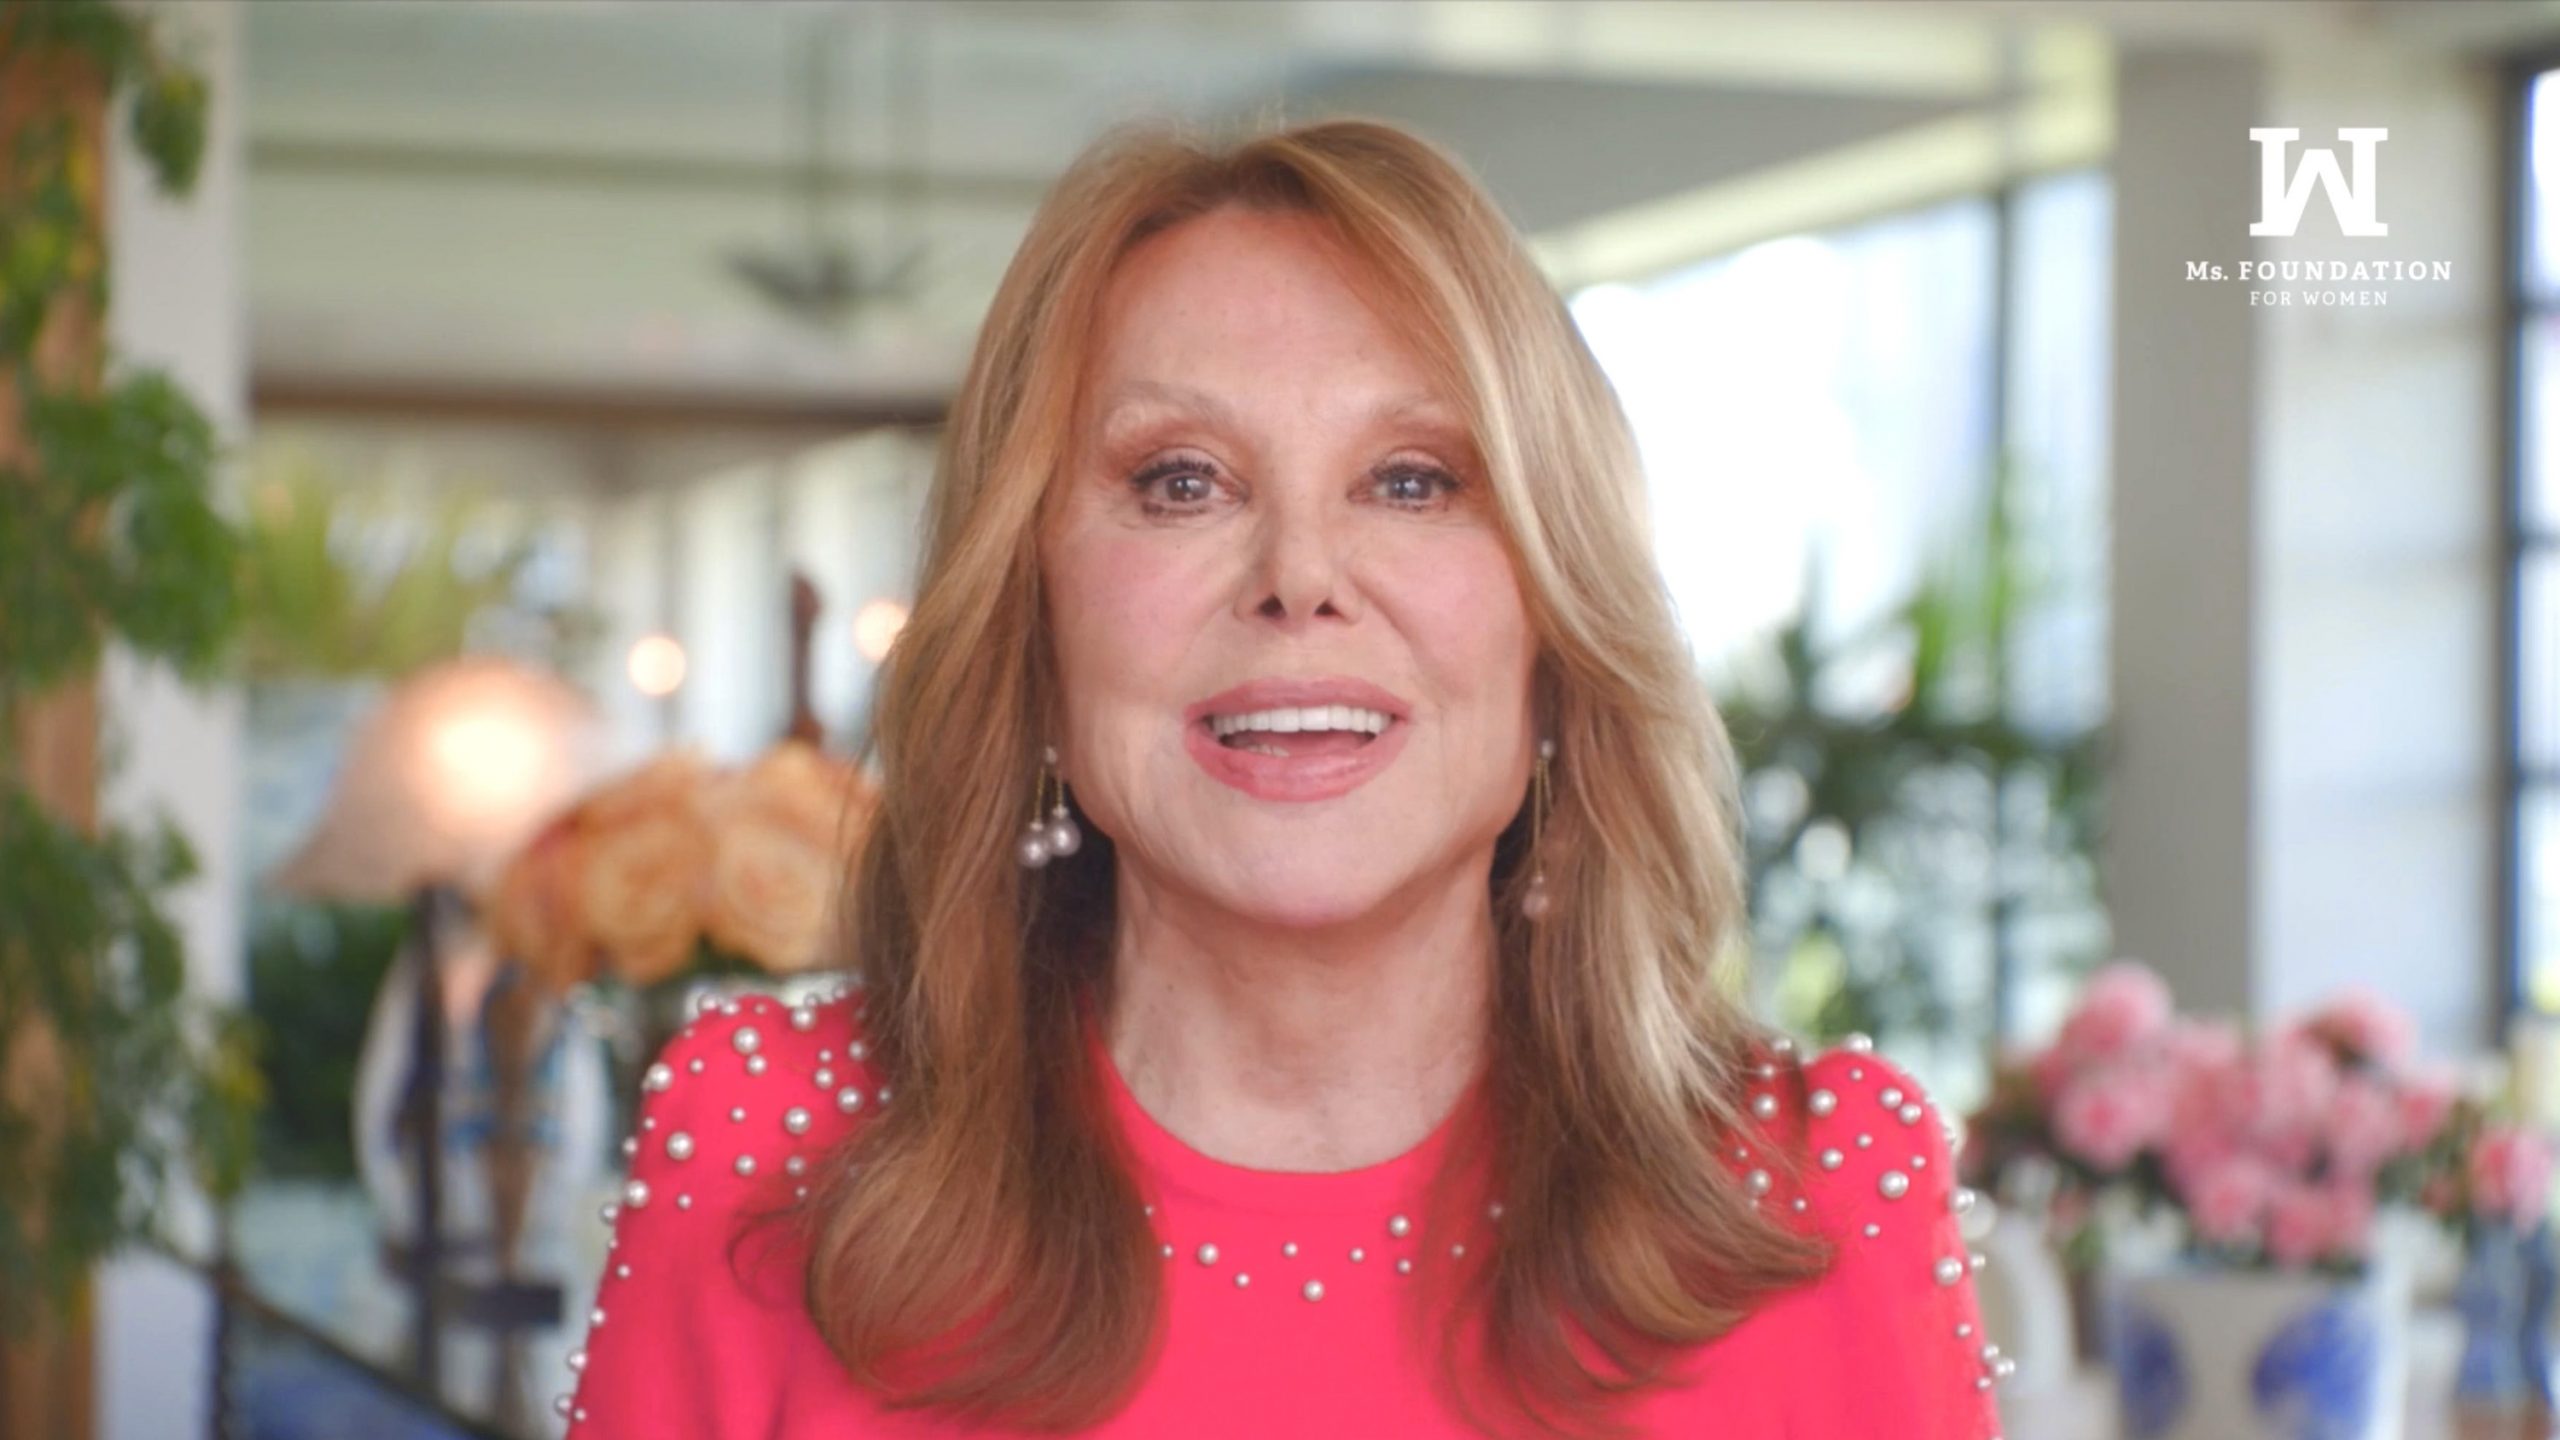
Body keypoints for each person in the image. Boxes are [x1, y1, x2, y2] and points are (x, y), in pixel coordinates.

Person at [558, 117, 2012, 1440]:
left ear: (1555, 625)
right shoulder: (767, 1146)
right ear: (1034, 615)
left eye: (1413, 480)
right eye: (1182, 481)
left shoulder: (1823, 1191)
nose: (1300, 577)